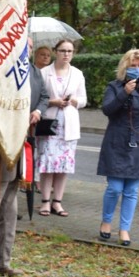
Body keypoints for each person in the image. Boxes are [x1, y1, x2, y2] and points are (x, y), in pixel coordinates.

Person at [0, 44, 49, 277]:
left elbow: (43, 95)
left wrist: (37, 110)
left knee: (9, 211)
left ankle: (2, 262)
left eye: (30, 47)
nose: (26, 51)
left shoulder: (32, 72)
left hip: (17, 150)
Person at [97, 49, 139, 246]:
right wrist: (125, 93)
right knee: (114, 188)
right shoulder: (114, 86)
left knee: (132, 190)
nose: (137, 69)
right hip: (116, 141)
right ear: (125, 66)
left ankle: (125, 229)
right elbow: (107, 109)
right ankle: (106, 222)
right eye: (133, 65)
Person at [37, 39, 87, 217]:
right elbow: (38, 98)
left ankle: (57, 202)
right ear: (55, 52)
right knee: (48, 164)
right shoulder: (44, 72)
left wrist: (74, 101)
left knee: (63, 165)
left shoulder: (77, 74)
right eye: (63, 50)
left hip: (69, 124)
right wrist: (53, 102)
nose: (66, 54)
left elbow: (83, 100)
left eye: (70, 51)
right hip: (49, 122)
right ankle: (44, 201)